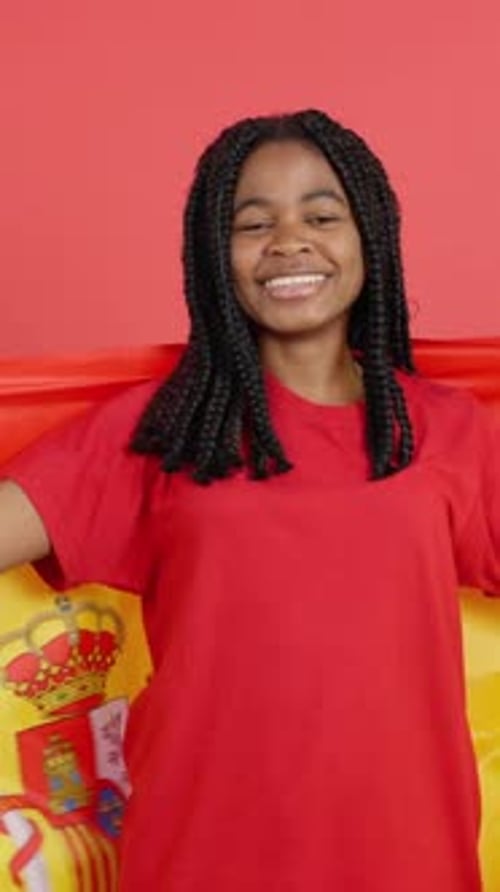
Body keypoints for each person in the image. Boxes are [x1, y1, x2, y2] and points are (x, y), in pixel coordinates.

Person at [0, 108, 498, 892]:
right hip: (199, 861)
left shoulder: (448, 432)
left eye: (322, 215)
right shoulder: (161, 428)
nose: (288, 240)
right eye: (252, 222)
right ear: (212, 255)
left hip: (408, 864)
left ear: (371, 234)